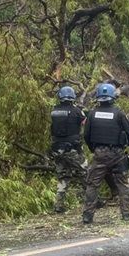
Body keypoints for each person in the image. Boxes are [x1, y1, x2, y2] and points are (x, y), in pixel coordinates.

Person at [82, 82, 129, 224]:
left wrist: (94, 149)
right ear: (113, 97)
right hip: (117, 154)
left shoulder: (92, 114)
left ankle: (88, 215)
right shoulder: (119, 113)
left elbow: (86, 135)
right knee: (123, 184)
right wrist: (127, 145)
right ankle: (126, 214)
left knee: (93, 184)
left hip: (99, 153)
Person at [48, 86, 87, 214]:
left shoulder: (54, 111)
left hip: (57, 149)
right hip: (73, 149)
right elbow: (85, 123)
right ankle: (93, 200)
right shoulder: (76, 111)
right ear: (72, 98)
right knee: (85, 172)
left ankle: (58, 205)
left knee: (63, 176)